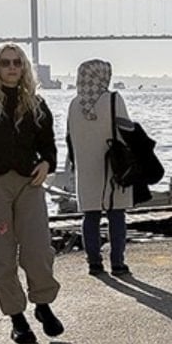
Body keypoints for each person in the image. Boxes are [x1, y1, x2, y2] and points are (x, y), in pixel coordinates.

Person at [0, 43, 64, 344]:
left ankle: (43, 305)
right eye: (5, 63)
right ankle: (16, 317)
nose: (12, 67)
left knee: (39, 248)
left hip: (29, 183)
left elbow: (48, 144)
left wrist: (47, 163)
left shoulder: (37, 104)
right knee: (2, 255)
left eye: (17, 62)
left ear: (24, 67)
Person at [66, 58, 134, 275]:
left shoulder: (74, 104)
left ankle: (94, 263)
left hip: (85, 169)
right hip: (114, 167)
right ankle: (117, 264)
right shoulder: (114, 99)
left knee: (90, 216)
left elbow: (69, 138)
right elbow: (127, 131)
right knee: (116, 215)